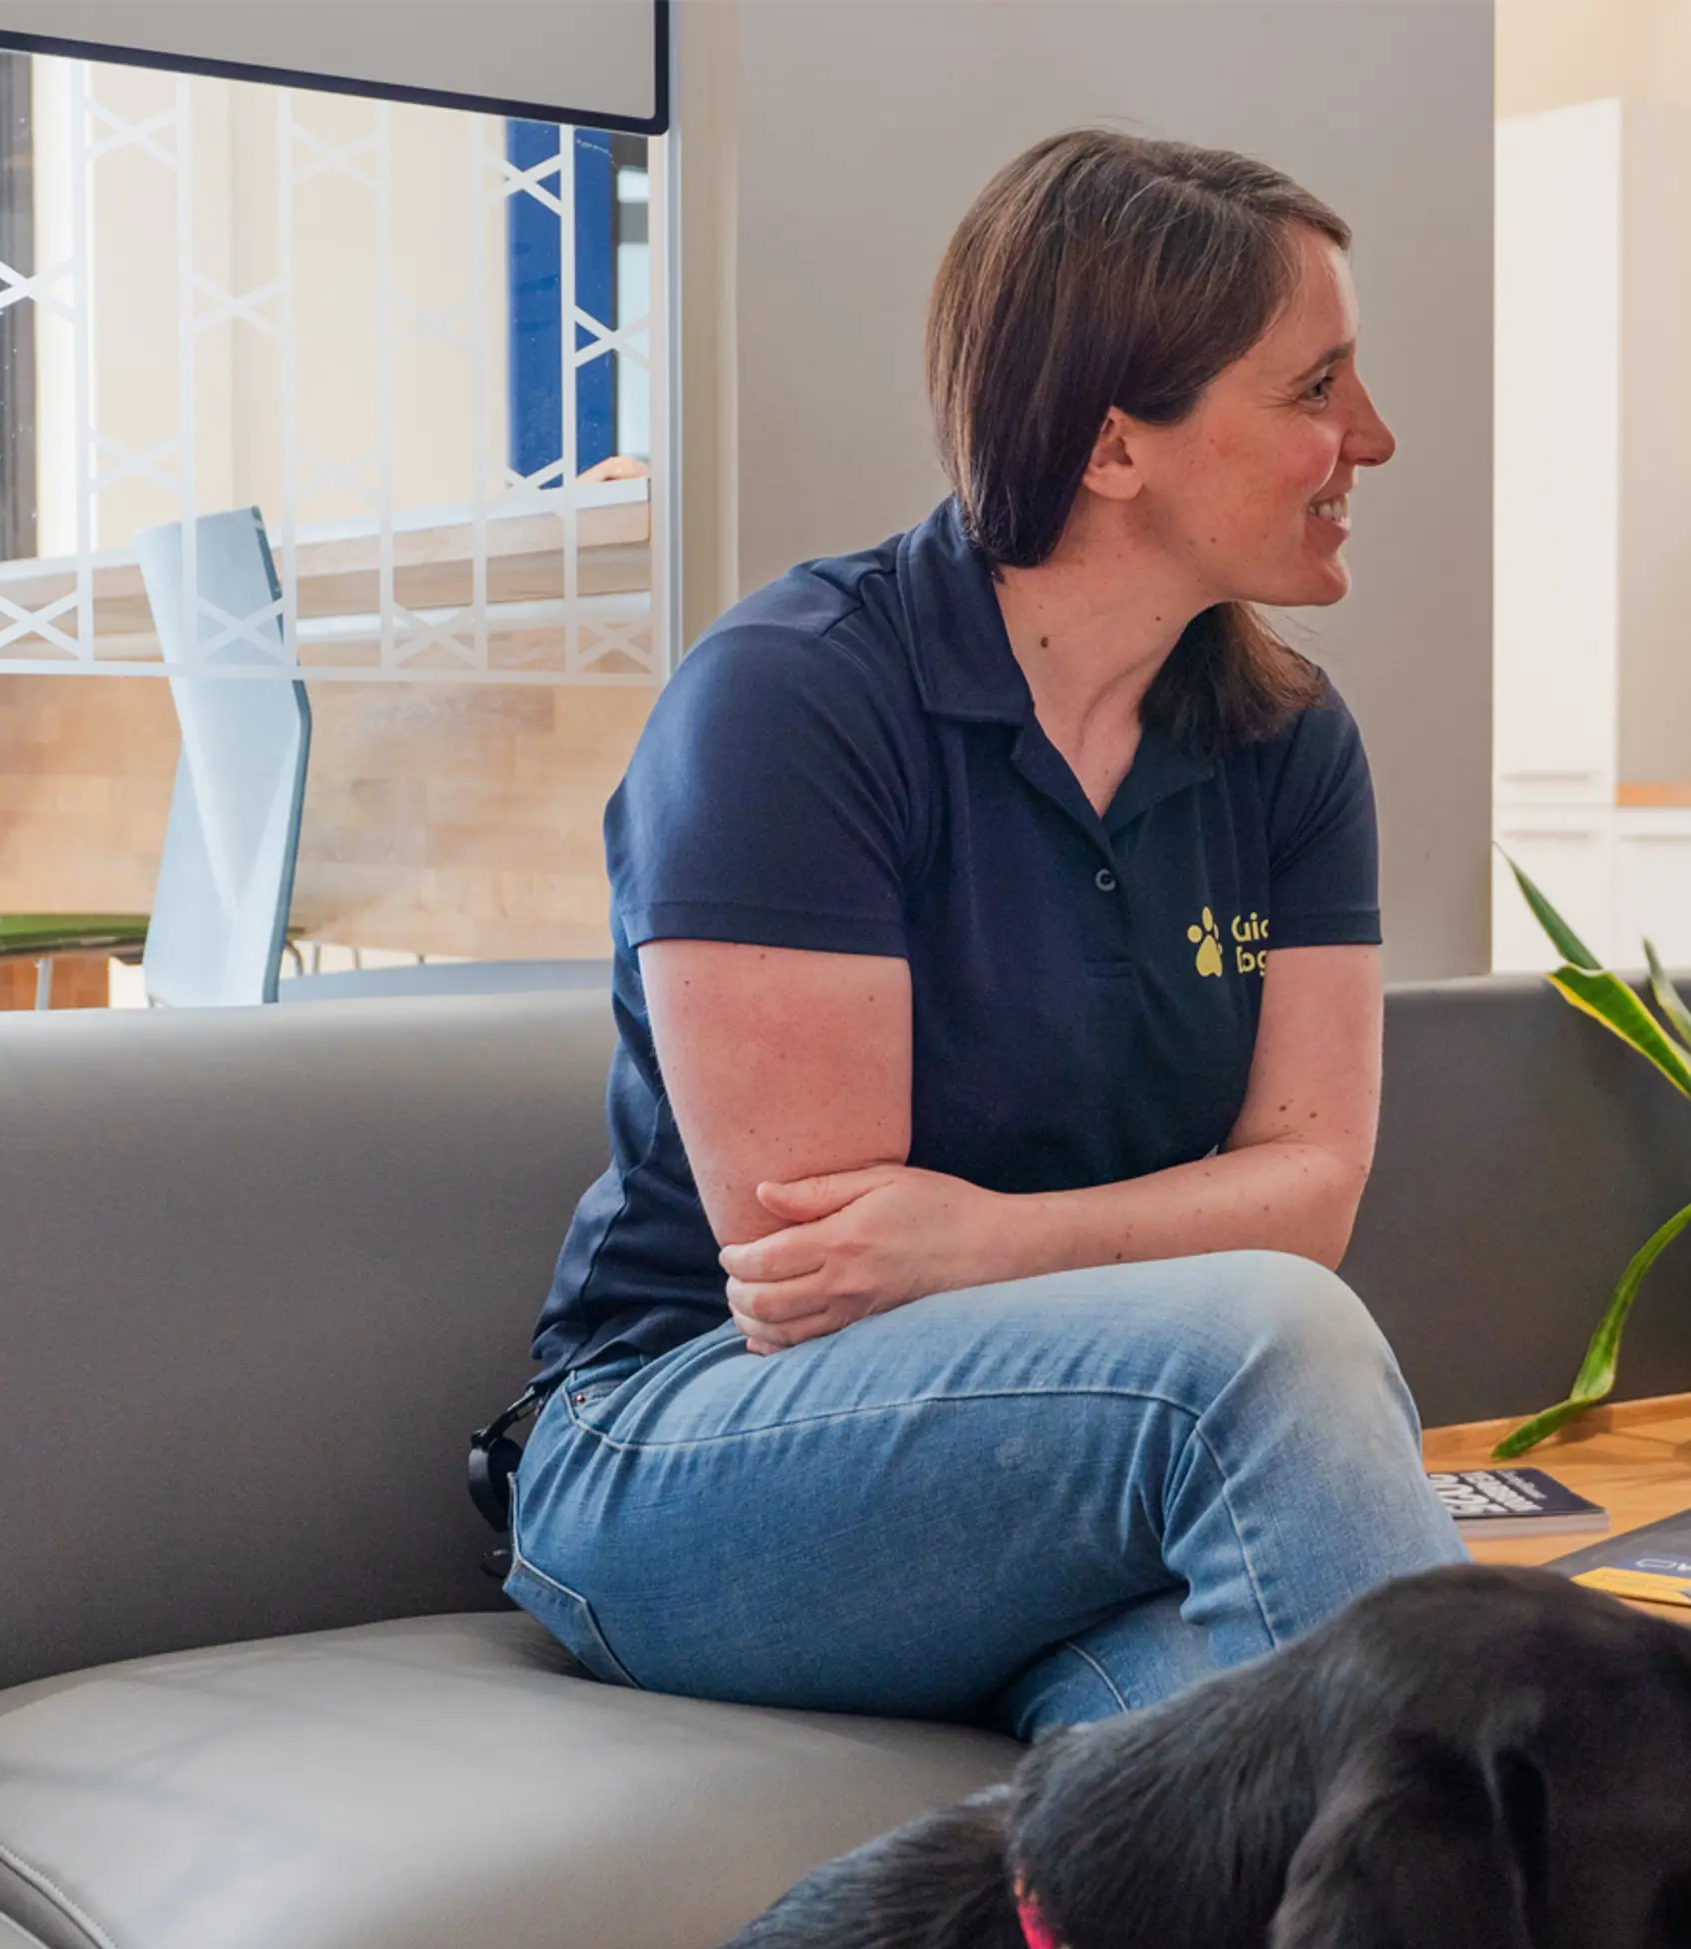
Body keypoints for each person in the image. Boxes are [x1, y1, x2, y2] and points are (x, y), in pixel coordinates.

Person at [505, 130, 1465, 1741]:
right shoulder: (796, 699)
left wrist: (993, 1237)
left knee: (1250, 1776)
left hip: (1055, 1479)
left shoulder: (1290, 743)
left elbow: (1308, 1192)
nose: (1370, 435)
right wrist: (1094, 1250)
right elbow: (830, 1278)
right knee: (1275, 1354)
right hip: (687, 1439)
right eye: (1315, 389)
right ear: (1114, 447)